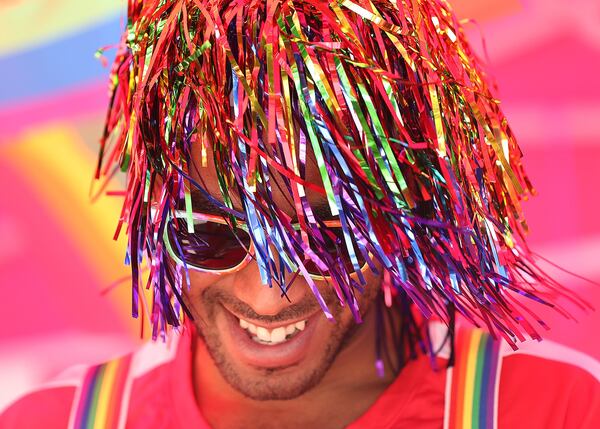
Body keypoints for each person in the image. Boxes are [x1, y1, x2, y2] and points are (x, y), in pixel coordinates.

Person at [2, 0, 599, 428]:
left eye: (328, 240)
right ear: (154, 209)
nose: (269, 294)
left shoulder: (554, 410)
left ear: (409, 211)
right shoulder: (57, 420)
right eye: (208, 233)